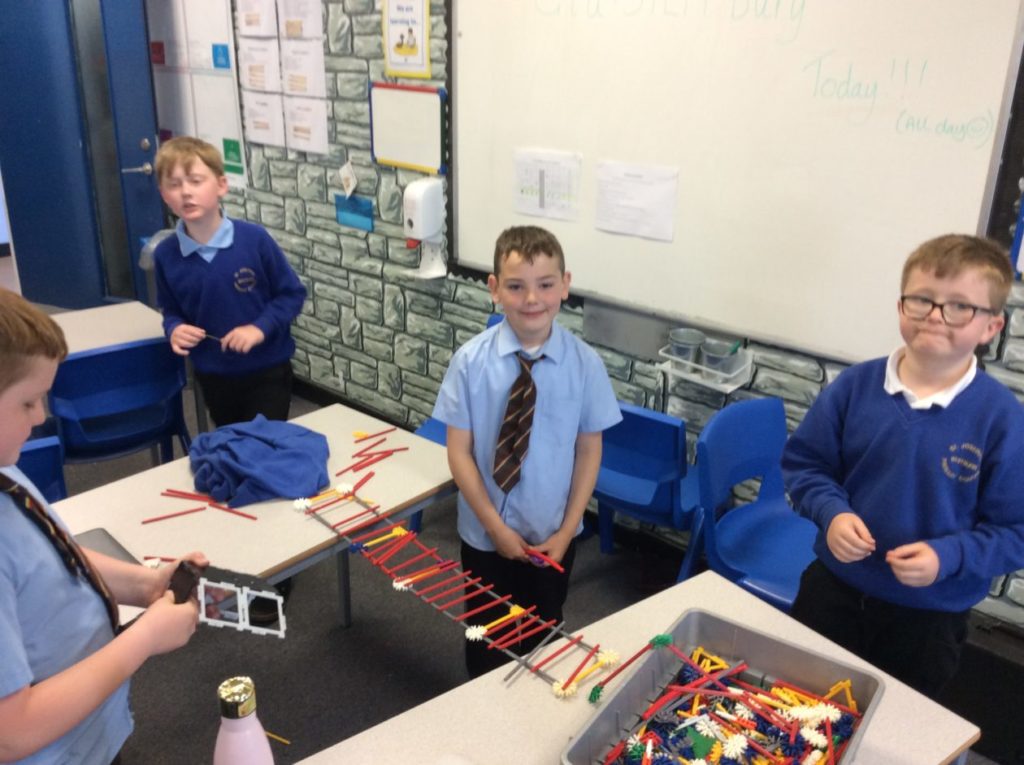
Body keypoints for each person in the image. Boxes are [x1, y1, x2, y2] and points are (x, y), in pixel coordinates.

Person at [782, 234, 1024, 698]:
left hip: (927, 619)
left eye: (959, 306)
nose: (935, 315)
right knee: (798, 702)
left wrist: (948, 556)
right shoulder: (854, 386)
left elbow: (1015, 531)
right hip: (832, 590)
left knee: (895, 722)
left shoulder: (1002, 419)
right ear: (900, 307)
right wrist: (832, 513)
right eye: (922, 300)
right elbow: (806, 465)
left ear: (991, 327)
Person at [0, 288, 205, 763]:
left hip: (84, 735)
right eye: (28, 403)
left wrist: (144, 584)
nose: (42, 415)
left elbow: (48, 554)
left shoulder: (4, 465)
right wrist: (144, 638)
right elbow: (11, 733)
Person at [432, 225, 622, 677]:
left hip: (552, 535)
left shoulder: (585, 365)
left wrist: (569, 529)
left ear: (565, 286)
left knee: (544, 635)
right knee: (485, 636)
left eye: (546, 284)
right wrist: (495, 528)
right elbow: (459, 452)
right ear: (494, 289)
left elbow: (589, 452)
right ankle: (483, 707)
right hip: (484, 535)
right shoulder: (470, 362)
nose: (532, 299)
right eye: (516, 286)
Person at [153, 136, 306, 428]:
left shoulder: (254, 240)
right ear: (164, 195)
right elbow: (171, 309)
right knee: (232, 441)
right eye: (174, 184)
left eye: (196, 181)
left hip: (267, 371)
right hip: (214, 375)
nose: (186, 192)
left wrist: (258, 328)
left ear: (221, 185)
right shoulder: (166, 255)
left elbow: (291, 295)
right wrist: (175, 329)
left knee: (262, 444)